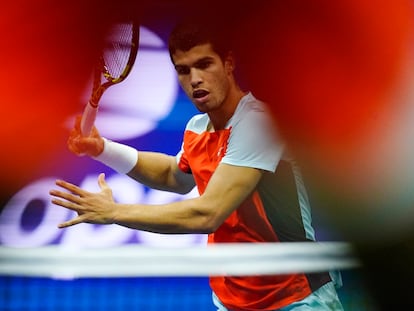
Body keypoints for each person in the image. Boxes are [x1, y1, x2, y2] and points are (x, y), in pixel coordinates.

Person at [49, 18, 344, 311]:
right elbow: (173, 175)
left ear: (229, 64)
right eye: (183, 70)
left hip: (296, 297)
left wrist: (115, 212)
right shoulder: (198, 127)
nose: (195, 79)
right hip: (234, 300)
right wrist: (102, 149)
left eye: (205, 65)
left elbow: (208, 213)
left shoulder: (257, 123)